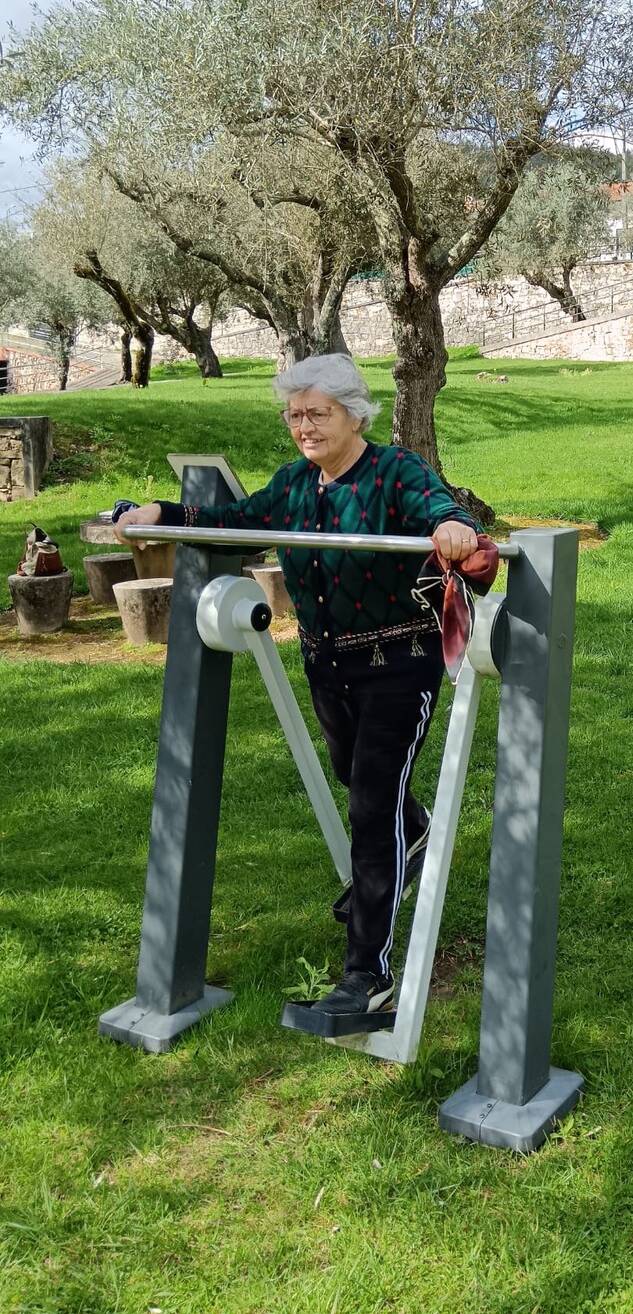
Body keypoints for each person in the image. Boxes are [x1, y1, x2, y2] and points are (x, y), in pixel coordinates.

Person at [116, 353, 489, 1018]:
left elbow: (439, 510)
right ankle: (416, 833)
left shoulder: (395, 471)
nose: (304, 427)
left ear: (355, 414)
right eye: (294, 416)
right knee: (355, 777)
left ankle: (367, 977)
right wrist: (159, 512)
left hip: (399, 664)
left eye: (318, 413)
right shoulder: (293, 483)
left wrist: (453, 528)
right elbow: (237, 520)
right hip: (328, 667)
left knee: (371, 808)